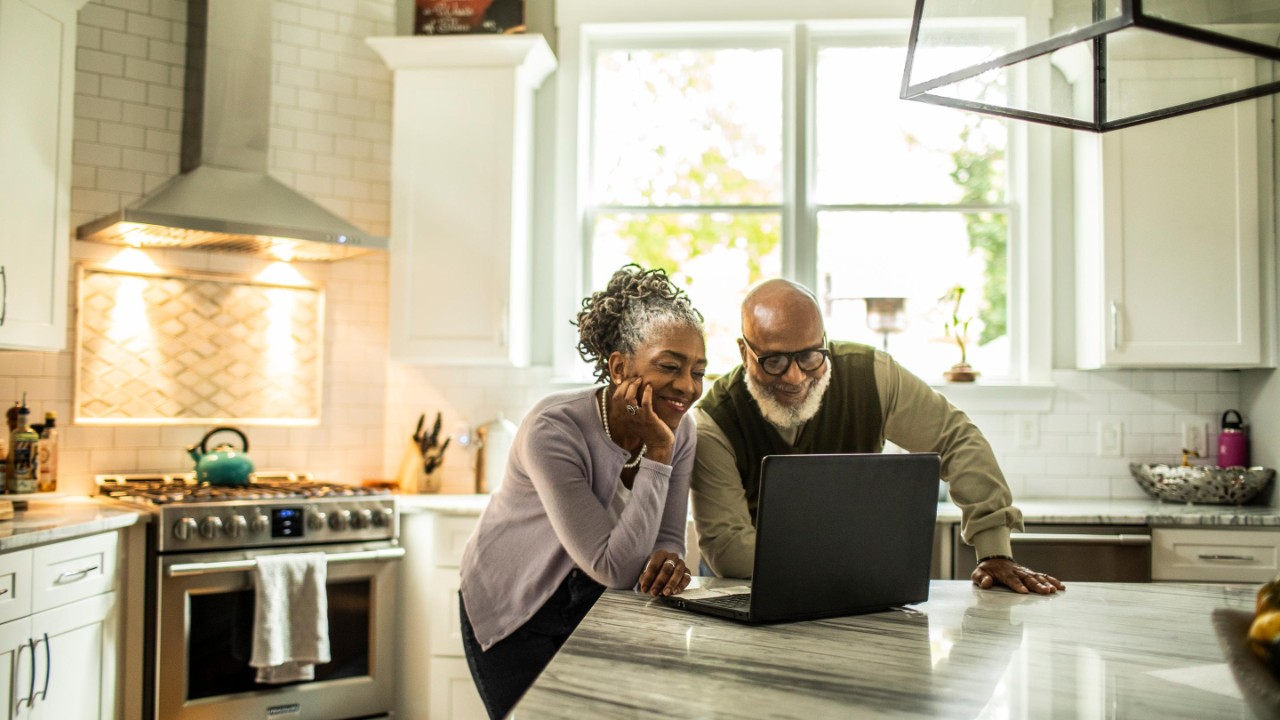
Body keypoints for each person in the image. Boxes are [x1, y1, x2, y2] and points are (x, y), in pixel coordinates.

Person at [691, 278, 1064, 595]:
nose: (795, 377)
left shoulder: (873, 376)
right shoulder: (713, 421)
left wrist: (994, 549)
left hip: (855, 588)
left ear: (825, 339)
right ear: (744, 351)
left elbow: (955, 439)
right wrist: (863, 557)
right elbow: (728, 549)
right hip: (745, 592)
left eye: (810, 356)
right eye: (774, 361)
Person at [459, 264, 707, 719]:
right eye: (670, 366)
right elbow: (614, 567)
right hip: (514, 606)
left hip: (593, 609)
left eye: (698, 370)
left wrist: (669, 559)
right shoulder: (553, 430)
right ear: (619, 367)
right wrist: (657, 449)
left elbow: (668, 538)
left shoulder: (680, 429)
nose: (688, 387)